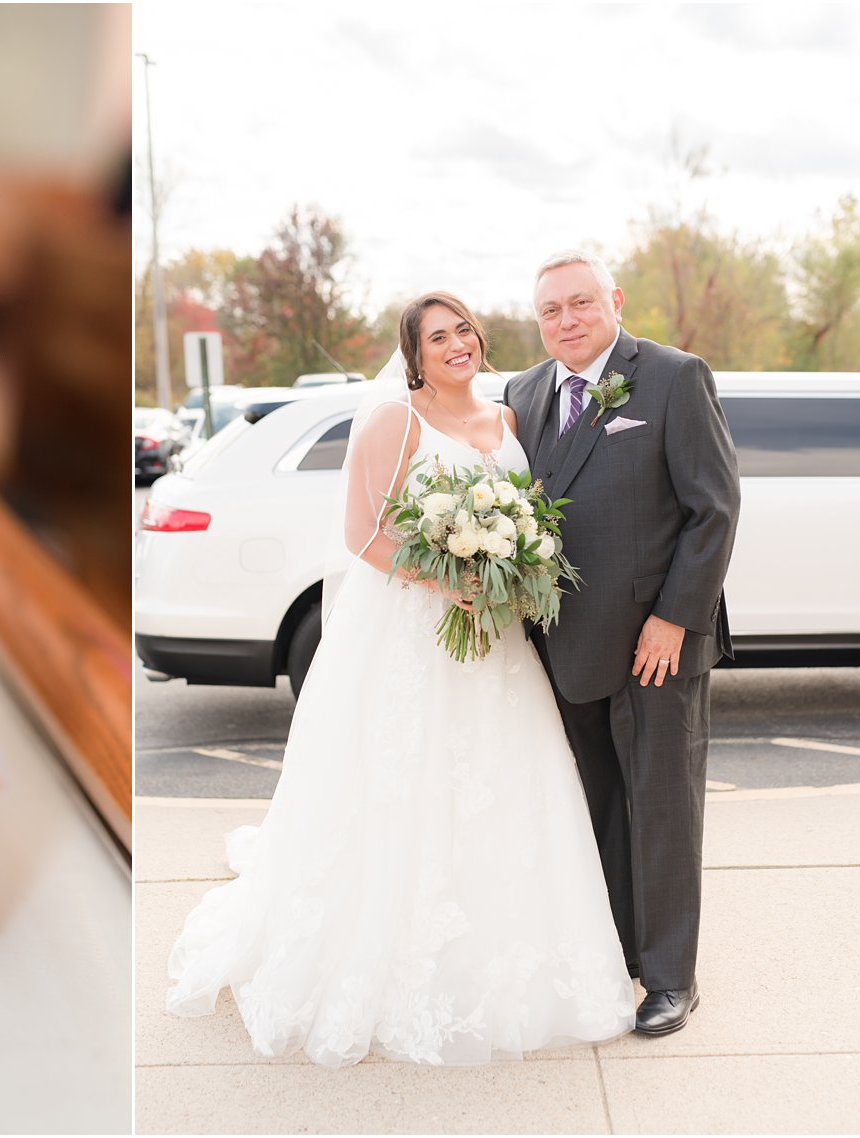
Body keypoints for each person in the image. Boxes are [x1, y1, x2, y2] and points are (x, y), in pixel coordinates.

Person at [165, 292, 636, 1068]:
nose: (456, 345)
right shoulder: (395, 420)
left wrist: (510, 569)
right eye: (437, 337)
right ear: (414, 356)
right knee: (403, 786)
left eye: (464, 331)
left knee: (500, 786)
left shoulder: (509, 421)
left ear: (481, 340)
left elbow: (533, 519)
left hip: (497, 645)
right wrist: (447, 579)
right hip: (415, 636)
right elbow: (365, 535)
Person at [505, 252, 740, 1036]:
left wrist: (675, 617)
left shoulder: (673, 377)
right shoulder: (524, 393)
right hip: (563, 642)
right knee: (596, 807)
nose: (566, 320)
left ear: (614, 301)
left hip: (655, 642)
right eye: (550, 311)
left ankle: (672, 977)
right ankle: (618, 954)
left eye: (580, 303)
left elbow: (714, 508)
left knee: (663, 807)